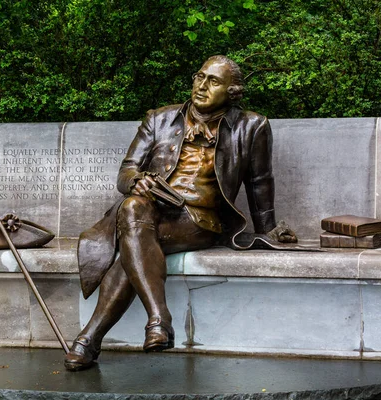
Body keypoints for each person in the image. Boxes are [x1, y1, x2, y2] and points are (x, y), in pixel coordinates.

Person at [65, 55, 295, 371]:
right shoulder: (159, 119)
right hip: (149, 213)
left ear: (232, 91)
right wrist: (137, 181)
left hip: (201, 221)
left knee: (132, 247)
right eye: (199, 76)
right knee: (132, 207)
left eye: (213, 81)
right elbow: (127, 170)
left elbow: (259, 182)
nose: (201, 86)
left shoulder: (252, 127)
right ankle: (157, 320)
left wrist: (267, 228)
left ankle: (91, 340)